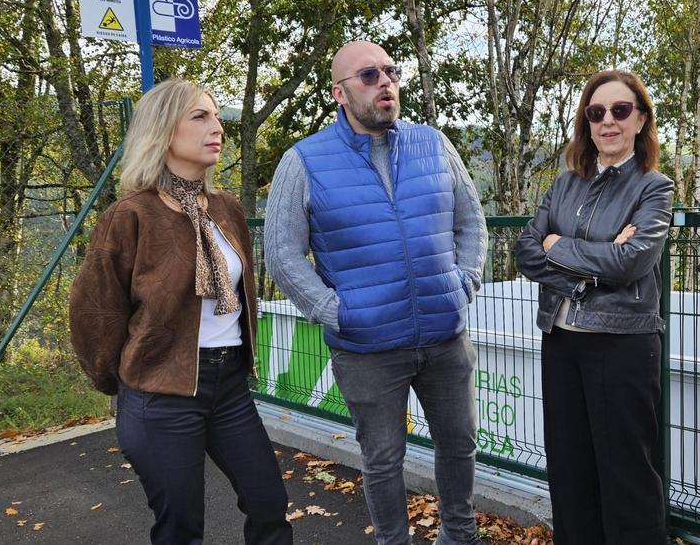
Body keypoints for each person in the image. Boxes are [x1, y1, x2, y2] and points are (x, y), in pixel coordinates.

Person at [264, 41, 487, 545]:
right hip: (366, 348)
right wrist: (335, 311)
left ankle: (460, 536)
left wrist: (463, 283)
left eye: (391, 71)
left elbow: (471, 221)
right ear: (339, 93)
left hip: (445, 337)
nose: (385, 82)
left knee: (460, 446)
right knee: (383, 460)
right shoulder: (304, 161)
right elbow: (281, 254)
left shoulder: (434, 144)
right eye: (369, 75)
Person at [69, 78, 292, 544]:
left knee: (269, 503)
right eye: (200, 117)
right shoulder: (130, 215)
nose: (218, 127)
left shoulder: (226, 208)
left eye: (216, 116)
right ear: (164, 129)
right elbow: (95, 312)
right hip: (160, 393)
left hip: (229, 386)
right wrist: (125, 387)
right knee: (181, 527)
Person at [514, 70, 674, 544]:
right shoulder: (565, 184)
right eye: (596, 111)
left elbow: (631, 262)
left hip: (622, 344)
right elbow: (525, 251)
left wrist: (558, 245)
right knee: (569, 472)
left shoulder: (654, 187)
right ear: (586, 121)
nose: (608, 121)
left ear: (641, 120)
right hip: (561, 340)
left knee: (626, 478)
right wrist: (589, 269)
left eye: (620, 110)